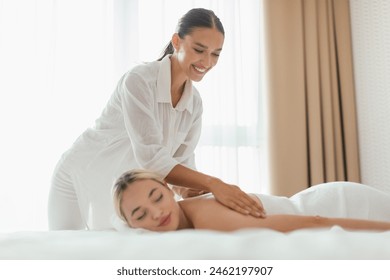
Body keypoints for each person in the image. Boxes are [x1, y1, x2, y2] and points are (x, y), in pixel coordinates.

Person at [48, 8, 264, 230]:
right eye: (199, 49)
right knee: (64, 253)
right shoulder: (139, 81)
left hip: (125, 192)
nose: (207, 61)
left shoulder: (194, 104)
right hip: (78, 173)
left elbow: (181, 163)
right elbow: (151, 158)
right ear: (177, 41)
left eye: (216, 54)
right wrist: (215, 183)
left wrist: (192, 191)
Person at [113, 169, 390, 233]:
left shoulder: (205, 216)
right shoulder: (185, 221)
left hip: (338, 205)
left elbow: (316, 221)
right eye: (140, 215)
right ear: (132, 225)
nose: (156, 212)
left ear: (168, 189)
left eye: (157, 197)